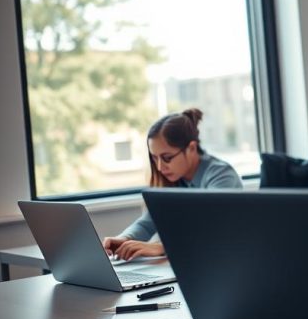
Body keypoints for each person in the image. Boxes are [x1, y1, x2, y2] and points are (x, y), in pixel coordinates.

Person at [101, 109, 242, 260]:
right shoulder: (176, 180)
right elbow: (148, 222)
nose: (160, 167)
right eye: (155, 158)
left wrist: (161, 247)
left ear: (192, 148)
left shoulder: (222, 177)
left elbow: (211, 231)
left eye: (167, 157)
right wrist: (125, 239)